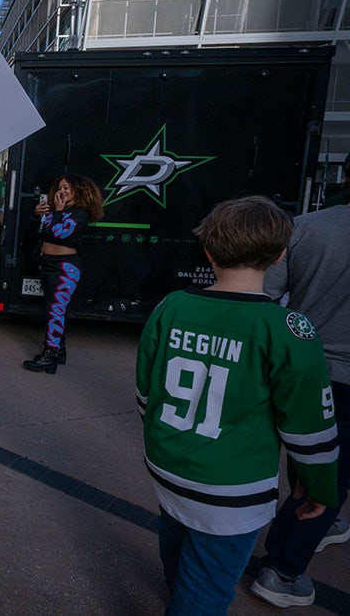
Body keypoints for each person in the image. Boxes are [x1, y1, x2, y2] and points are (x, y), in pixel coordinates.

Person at [137, 195, 339, 616]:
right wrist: (320, 487)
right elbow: (309, 428)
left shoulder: (170, 306)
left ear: (208, 250)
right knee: (207, 591)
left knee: (177, 548)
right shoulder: (287, 329)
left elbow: (146, 394)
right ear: (281, 254)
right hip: (232, 488)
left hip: (168, 465)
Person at [251, 183, 350, 608]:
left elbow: (263, 299)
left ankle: (312, 524)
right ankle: (284, 570)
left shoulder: (305, 228)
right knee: (334, 472)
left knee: (308, 456)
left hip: (305, 367)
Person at [22, 174, 104, 374]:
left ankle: (49, 356)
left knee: (56, 312)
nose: (62, 191)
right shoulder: (56, 211)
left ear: (79, 190)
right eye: (59, 187)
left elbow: (60, 234)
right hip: (48, 266)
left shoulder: (80, 214)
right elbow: (39, 232)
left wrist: (56, 212)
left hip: (65, 268)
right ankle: (59, 352)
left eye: (67, 187)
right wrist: (35, 215)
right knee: (54, 311)